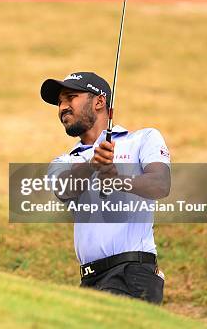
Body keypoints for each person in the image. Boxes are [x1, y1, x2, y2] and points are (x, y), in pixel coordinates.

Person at [40, 71, 171, 304]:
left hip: (131, 273)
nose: (62, 107)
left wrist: (117, 179)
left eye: (71, 97)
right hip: (89, 280)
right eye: (60, 102)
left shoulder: (142, 139)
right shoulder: (63, 162)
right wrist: (94, 164)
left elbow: (160, 184)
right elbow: (63, 189)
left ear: (99, 101)